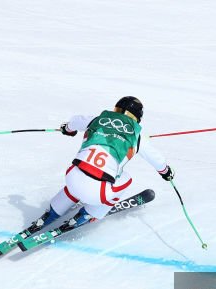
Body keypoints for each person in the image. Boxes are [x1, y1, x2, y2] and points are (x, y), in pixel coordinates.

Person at [21, 96, 174, 235]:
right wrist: (166, 172)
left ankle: (52, 212)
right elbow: (158, 160)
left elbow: (75, 121)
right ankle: (89, 214)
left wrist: (67, 129)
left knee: (82, 172)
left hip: (71, 177)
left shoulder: (97, 119)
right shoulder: (138, 137)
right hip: (97, 192)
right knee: (126, 180)